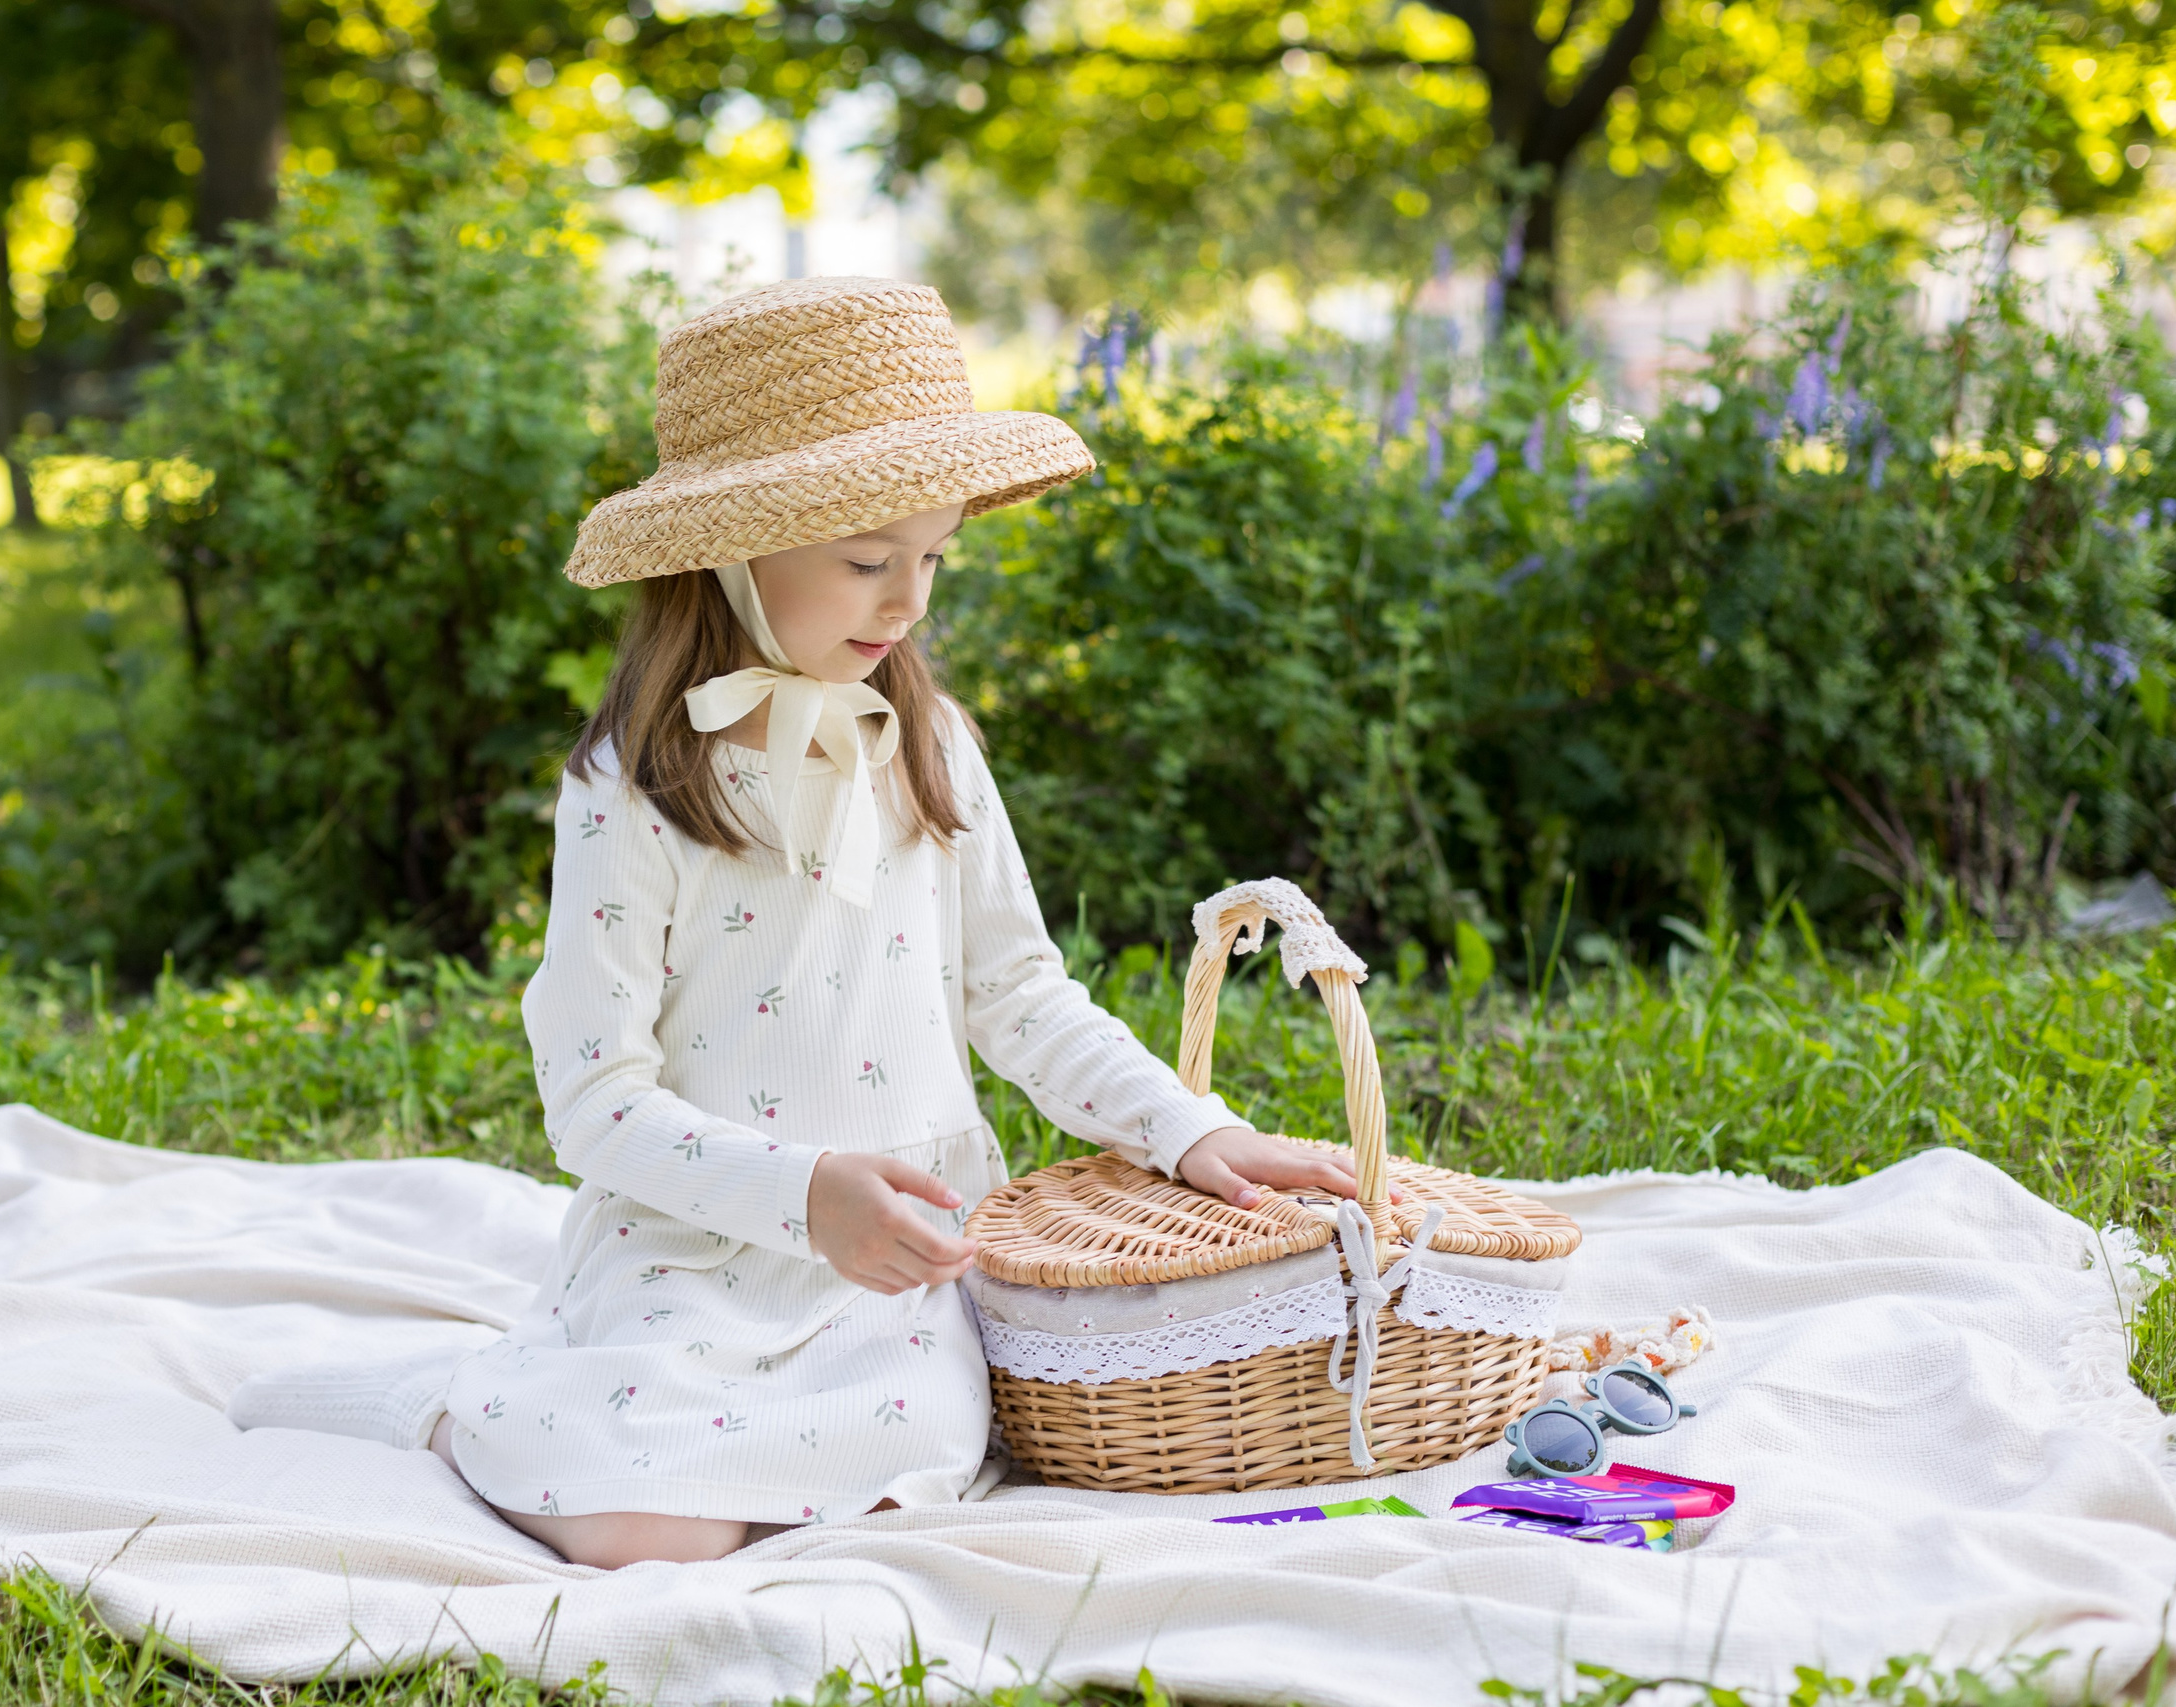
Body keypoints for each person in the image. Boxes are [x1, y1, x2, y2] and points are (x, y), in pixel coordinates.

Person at [230, 277, 1381, 1568]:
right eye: (866, 561)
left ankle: (691, 1431)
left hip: (900, 1265)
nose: (909, 605)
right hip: (694, 1248)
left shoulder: (932, 744)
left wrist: (1192, 1129)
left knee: (866, 1500)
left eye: (933, 557)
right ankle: (441, 1411)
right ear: (732, 550)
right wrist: (801, 1192)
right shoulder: (632, 788)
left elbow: (1019, 993)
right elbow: (593, 1100)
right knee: (641, 1528)